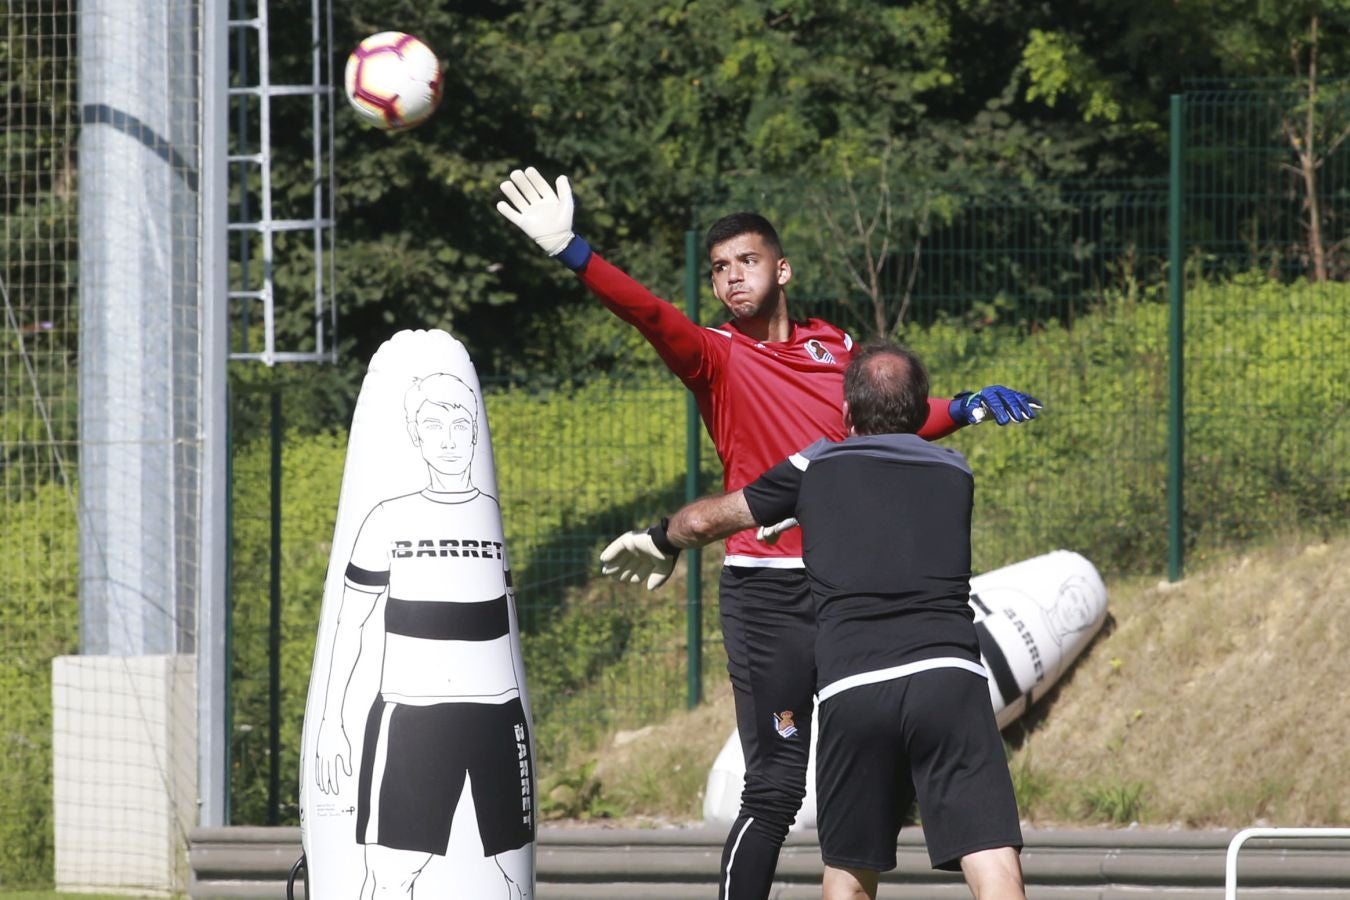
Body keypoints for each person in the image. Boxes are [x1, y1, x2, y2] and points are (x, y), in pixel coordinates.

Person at [496, 167, 1038, 900]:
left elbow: (890, 417)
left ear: (781, 269)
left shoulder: (833, 346)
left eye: (745, 262)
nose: (730, 279)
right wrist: (575, 252)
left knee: (876, 782)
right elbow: (652, 315)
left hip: (848, 595)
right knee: (778, 787)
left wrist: (966, 406)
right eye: (718, 269)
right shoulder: (716, 356)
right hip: (768, 594)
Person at [602, 339, 1027, 900]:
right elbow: (890, 514)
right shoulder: (954, 467)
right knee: (992, 858)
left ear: (846, 412)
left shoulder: (815, 465)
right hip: (949, 679)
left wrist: (659, 537)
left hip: (855, 688)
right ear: (922, 413)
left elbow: (709, 521)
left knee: (848, 875)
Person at [313, 373, 533, 900]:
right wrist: (330, 722)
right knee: (390, 878)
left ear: (477, 432)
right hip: (413, 716)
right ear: (416, 435)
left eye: (462, 423)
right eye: (435, 425)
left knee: (510, 878)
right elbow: (351, 622)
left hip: (499, 719)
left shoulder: (490, 516)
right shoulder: (388, 519)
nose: (451, 439)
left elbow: (503, 629)